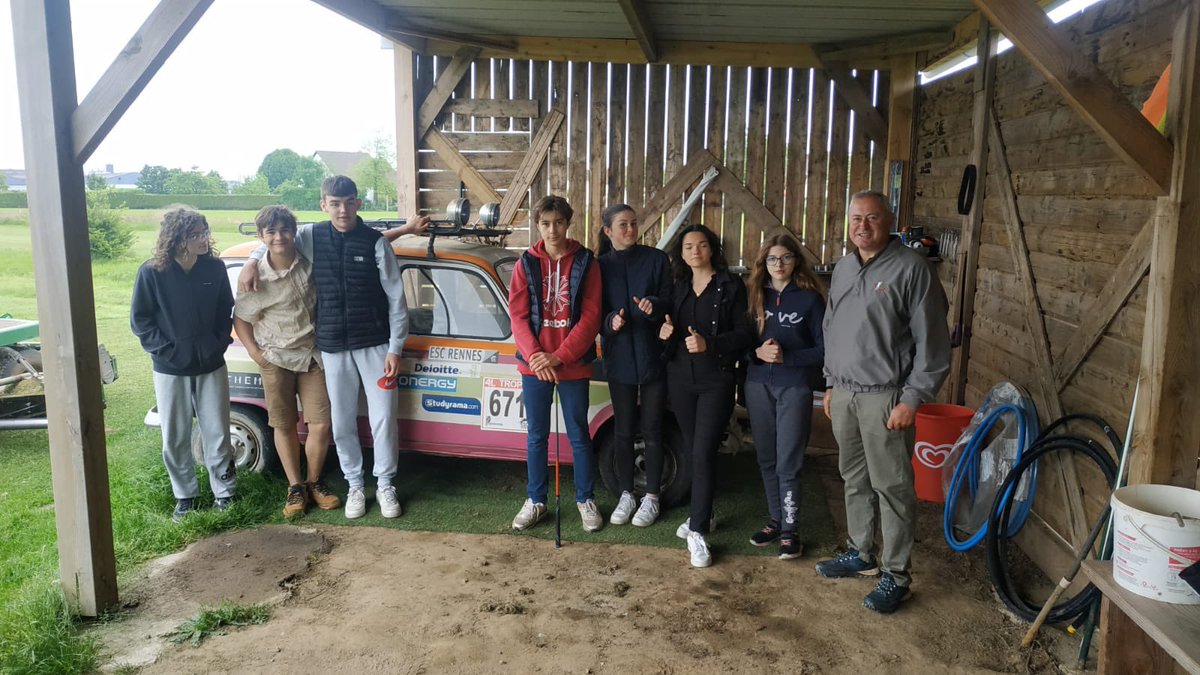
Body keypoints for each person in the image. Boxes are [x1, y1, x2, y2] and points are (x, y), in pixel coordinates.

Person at [239, 176, 422, 520]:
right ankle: (354, 484)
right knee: (341, 422)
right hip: (332, 348)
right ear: (323, 205)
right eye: (335, 203)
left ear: (358, 204)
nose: (342, 209)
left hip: (376, 346)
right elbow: (275, 241)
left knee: (383, 418)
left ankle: (384, 484)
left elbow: (397, 299)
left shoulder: (374, 243)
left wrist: (395, 348)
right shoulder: (310, 235)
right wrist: (252, 260)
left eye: (349, 202)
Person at [816, 190, 951, 613]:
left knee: (891, 487)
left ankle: (896, 574)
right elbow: (831, 327)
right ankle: (861, 554)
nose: (862, 226)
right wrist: (832, 384)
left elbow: (933, 343)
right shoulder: (842, 268)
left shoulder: (912, 268)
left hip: (885, 397)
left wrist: (913, 398)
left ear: (889, 220)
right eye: (856, 218)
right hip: (845, 394)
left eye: (872, 218)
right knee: (853, 478)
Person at [131, 208, 237, 522]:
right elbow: (141, 320)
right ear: (177, 238)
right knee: (175, 434)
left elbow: (225, 310)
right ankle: (185, 495)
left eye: (205, 232)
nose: (204, 239)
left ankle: (225, 491)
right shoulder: (151, 272)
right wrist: (168, 352)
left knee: (217, 430)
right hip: (170, 368)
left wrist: (219, 343)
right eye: (195, 235)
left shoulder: (214, 268)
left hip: (211, 364)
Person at [233, 205, 338, 518]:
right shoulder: (256, 277)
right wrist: (256, 354)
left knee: (320, 423)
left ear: (294, 230)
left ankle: (315, 482)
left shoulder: (309, 262)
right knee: (283, 423)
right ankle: (295, 487)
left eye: (284, 230)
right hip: (275, 358)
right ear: (262, 237)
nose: (279, 237)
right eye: (271, 232)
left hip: (313, 355)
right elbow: (241, 318)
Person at [508, 195, 604, 533]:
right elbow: (517, 316)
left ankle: (585, 499)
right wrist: (537, 357)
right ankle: (536, 500)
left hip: (572, 363)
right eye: (546, 223)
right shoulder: (525, 263)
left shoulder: (586, 262)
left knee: (579, 433)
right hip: (534, 366)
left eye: (558, 222)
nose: (552, 229)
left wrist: (559, 356)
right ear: (537, 225)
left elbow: (591, 318)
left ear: (568, 223)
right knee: (536, 435)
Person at [660, 224, 753, 567]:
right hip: (681, 380)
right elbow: (671, 330)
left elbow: (744, 334)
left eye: (701, 245)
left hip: (716, 380)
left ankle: (698, 530)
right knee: (695, 449)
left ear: (712, 249)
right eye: (688, 246)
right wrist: (665, 332)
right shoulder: (679, 287)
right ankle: (706, 513)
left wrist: (709, 344)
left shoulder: (730, 286)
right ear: (681, 253)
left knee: (701, 452)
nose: (695, 251)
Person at [745, 233, 825, 561]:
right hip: (757, 384)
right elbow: (739, 342)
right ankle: (776, 520)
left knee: (788, 461)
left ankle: (791, 530)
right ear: (763, 263)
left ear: (796, 260)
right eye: (772, 259)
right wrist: (755, 352)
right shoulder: (752, 296)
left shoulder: (810, 299)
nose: (779, 265)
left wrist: (787, 358)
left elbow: (824, 349)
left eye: (786, 258)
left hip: (794, 385)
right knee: (766, 457)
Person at [596, 204, 673, 527]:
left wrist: (652, 306)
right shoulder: (598, 267)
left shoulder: (657, 259)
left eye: (633, 224)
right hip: (619, 359)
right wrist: (611, 320)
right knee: (624, 430)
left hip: (654, 356)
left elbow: (670, 300)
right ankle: (627, 494)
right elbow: (592, 313)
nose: (630, 230)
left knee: (654, 430)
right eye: (622, 225)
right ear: (608, 231)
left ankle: (652, 497)